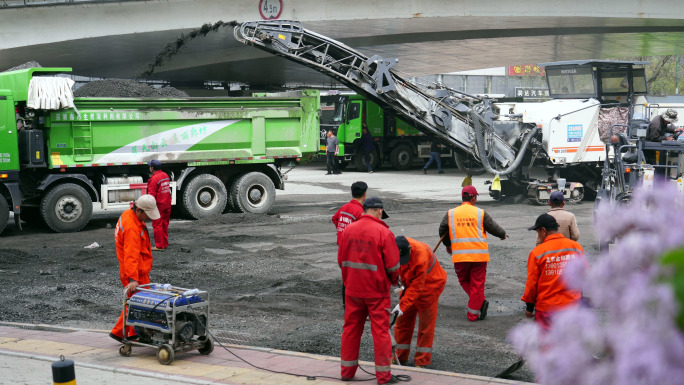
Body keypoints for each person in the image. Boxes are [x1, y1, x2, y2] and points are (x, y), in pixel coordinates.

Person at [338, 196, 401, 384]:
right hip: (376, 292)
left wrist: (350, 280)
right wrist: (393, 280)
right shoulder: (383, 232)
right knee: (380, 332)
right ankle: (383, 376)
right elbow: (393, 266)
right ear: (380, 211)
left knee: (350, 329)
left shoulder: (348, 230)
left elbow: (341, 260)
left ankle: (347, 373)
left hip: (353, 291)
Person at [438, 185, 508, 322]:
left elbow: (442, 230)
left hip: (460, 256)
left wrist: (448, 244)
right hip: (479, 256)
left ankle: (477, 307)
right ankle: (475, 310)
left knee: (464, 280)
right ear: (474, 198)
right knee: (477, 283)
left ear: (463, 198)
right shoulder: (480, 213)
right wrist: (502, 234)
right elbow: (492, 226)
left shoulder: (451, 213)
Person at [109, 194, 160, 343]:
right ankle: (127, 334)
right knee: (140, 304)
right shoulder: (132, 227)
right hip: (135, 272)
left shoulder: (128, 216)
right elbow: (131, 255)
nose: (148, 218)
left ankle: (125, 333)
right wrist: (133, 279)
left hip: (134, 271)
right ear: (139, 210)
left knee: (136, 303)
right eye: (147, 215)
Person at [523, 214, 587, 330]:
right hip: (572, 306)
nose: (539, 236)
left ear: (543, 230)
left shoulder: (537, 253)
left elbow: (532, 284)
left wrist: (529, 307)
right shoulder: (576, 247)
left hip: (547, 310)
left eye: (538, 232)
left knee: (547, 344)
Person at [391, 236, 447, 368]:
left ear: (410, 250)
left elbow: (417, 287)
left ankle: (422, 361)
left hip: (430, 286)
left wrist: (402, 305)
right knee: (402, 323)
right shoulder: (393, 248)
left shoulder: (420, 256)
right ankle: (400, 356)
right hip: (410, 285)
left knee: (426, 326)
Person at [332, 181, 368, 308]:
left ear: (351, 193)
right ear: (365, 195)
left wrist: (341, 232)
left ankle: (345, 304)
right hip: (353, 250)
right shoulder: (360, 212)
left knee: (346, 276)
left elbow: (335, 218)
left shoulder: (344, 207)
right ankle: (355, 306)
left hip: (342, 249)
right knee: (357, 278)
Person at [147, 159, 172, 251]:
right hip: (167, 204)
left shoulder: (154, 178)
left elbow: (152, 195)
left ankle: (160, 246)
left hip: (159, 206)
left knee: (157, 225)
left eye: (150, 166)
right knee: (165, 224)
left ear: (152, 168)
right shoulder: (165, 175)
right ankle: (165, 243)